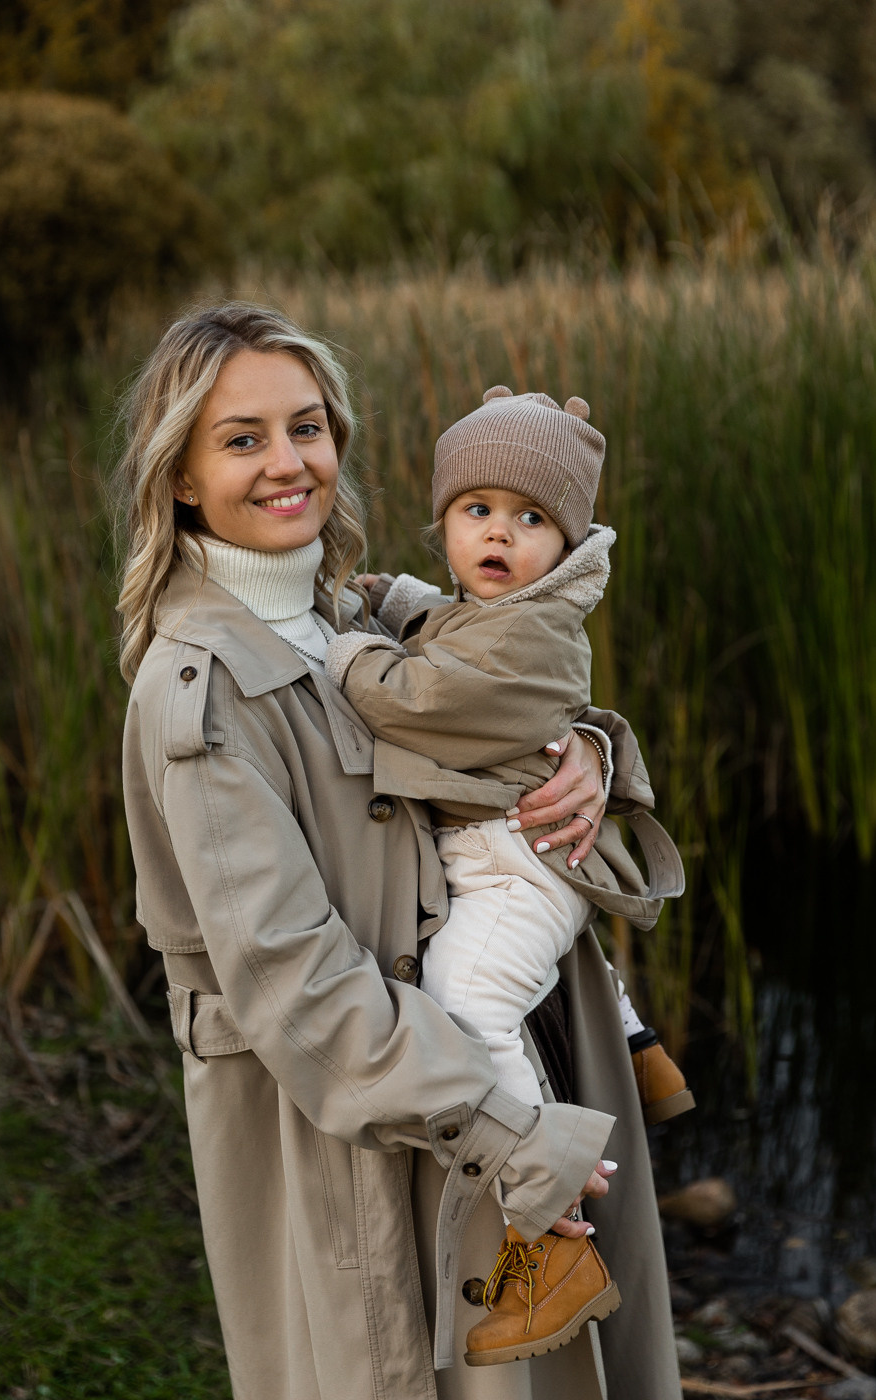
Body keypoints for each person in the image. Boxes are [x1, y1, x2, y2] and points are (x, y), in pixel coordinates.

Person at [115, 301, 682, 1400]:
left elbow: (516, 687)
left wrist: (600, 754)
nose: (290, 463)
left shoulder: (349, 612)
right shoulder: (203, 691)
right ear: (179, 473)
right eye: (243, 438)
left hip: (486, 1074)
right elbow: (300, 986)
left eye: (309, 425)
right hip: (385, 1121)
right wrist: (513, 1133)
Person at [324, 385, 692, 1365]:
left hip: (518, 862)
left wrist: (345, 640)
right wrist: (382, 598)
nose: (501, 533)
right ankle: (641, 1043)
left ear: (567, 544)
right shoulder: (494, 608)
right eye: (477, 510)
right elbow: (432, 614)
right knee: (512, 961)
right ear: (443, 520)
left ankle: (551, 1223)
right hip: (513, 851)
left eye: (533, 519)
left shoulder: (530, 632)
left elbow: (414, 691)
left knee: (464, 997)